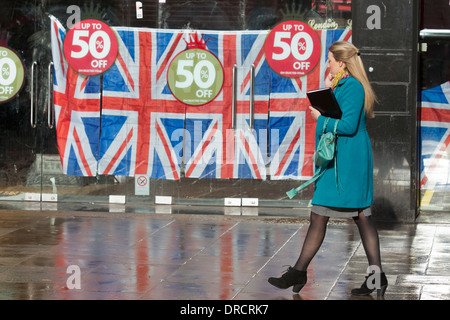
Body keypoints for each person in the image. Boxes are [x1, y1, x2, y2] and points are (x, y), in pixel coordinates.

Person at [268, 41, 387, 297]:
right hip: (339, 158)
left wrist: (319, 118)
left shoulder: (353, 87)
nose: (327, 64)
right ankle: (301, 272)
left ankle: (300, 272)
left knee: (359, 215)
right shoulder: (341, 84)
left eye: (330, 60)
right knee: (326, 213)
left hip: (350, 160)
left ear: (341, 63)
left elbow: (348, 126)